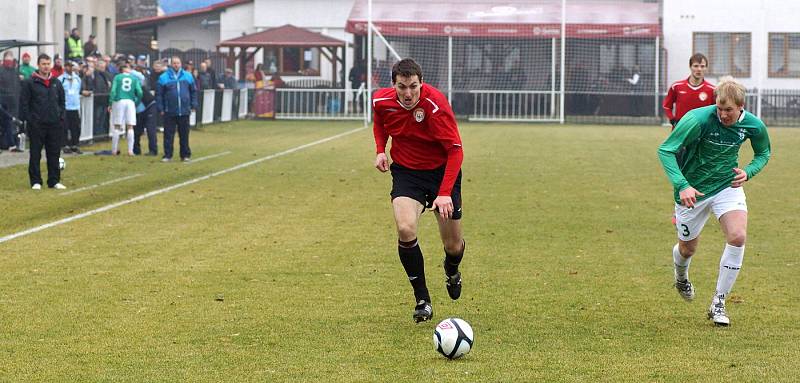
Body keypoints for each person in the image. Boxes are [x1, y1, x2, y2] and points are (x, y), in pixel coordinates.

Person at [657, 78, 771, 327]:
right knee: (687, 249)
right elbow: (666, 150)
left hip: (726, 187)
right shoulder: (697, 119)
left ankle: (718, 302)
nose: (722, 114)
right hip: (693, 191)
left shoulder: (753, 125)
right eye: (719, 108)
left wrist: (749, 171)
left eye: (728, 110)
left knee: (738, 236)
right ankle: (681, 276)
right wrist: (682, 184)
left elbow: (763, 152)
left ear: (741, 107)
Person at [372, 58, 466, 323]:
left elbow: (455, 150)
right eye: (402, 87)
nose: (408, 93)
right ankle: (422, 300)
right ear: (394, 85)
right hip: (407, 173)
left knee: (453, 245)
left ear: (421, 83)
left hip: (441, 173)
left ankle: (452, 269)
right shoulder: (381, 100)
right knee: (405, 228)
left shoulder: (436, 106)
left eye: (414, 86)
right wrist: (381, 149)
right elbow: (380, 121)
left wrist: (445, 192)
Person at [20, 54, 67, 190]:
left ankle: (54, 180)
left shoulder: (56, 83)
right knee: (35, 153)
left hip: (54, 124)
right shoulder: (30, 82)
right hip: (37, 125)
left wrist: (60, 117)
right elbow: (24, 104)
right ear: (38, 65)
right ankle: (36, 181)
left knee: (54, 153)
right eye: (43, 64)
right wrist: (31, 119)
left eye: (48, 63)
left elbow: (62, 102)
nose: (46, 66)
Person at [156, 56, 197, 162]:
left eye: (178, 63)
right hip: (169, 110)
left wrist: (193, 104)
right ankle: (167, 155)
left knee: (184, 134)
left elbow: (193, 91)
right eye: (174, 63)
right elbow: (159, 95)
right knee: (168, 134)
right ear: (171, 64)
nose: (176, 65)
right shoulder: (163, 77)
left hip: (184, 110)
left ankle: (185, 155)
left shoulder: (188, 76)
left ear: (181, 64)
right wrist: (160, 107)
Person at [663, 53, 715, 130]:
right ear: (690, 67)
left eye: (702, 66)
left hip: (701, 131)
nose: (699, 69)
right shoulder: (677, 86)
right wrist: (672, 119)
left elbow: (716, 110)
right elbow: (667, 106)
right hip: (680, 129)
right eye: (696, 66)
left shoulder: (712, 90)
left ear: (706, 68)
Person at [109, 63, 142, 156]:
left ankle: (114, 150)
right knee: (130, 126)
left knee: (117, 125)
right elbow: (139, 92)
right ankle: (130, 151)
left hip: (119, 100)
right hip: (130, 101)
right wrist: (136, 101)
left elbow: (113, 90)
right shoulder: (134, 78)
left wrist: (111, 102)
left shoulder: (117, 77)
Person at [131, 67, 158, 156]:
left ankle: (153, 150)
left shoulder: (139, 82)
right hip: (140, 110)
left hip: (150, 106)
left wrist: (130, 71)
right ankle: (136, 150)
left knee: (150, 129)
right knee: (137, 130)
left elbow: (141, 77)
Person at [58, 60, 83, 154]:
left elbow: (78, 89)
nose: (70, 68)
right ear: (65, 67)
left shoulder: (77, 78)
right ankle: (64, 144)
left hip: (75, 106)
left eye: (71, 66)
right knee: (64, 127)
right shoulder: (61, 79)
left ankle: (75, 144)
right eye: (68, 66)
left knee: (75, 127)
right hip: (66, 106)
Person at [1, 51, 23, 152]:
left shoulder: (15, 71)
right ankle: (9, 143)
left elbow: (17, 86)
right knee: (7, 121)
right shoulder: (1, 71)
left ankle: (11, 143)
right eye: (8, 59)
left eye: (11, 59)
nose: (9, 61)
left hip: (14, 101)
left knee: (11, 123)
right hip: (3, 100)